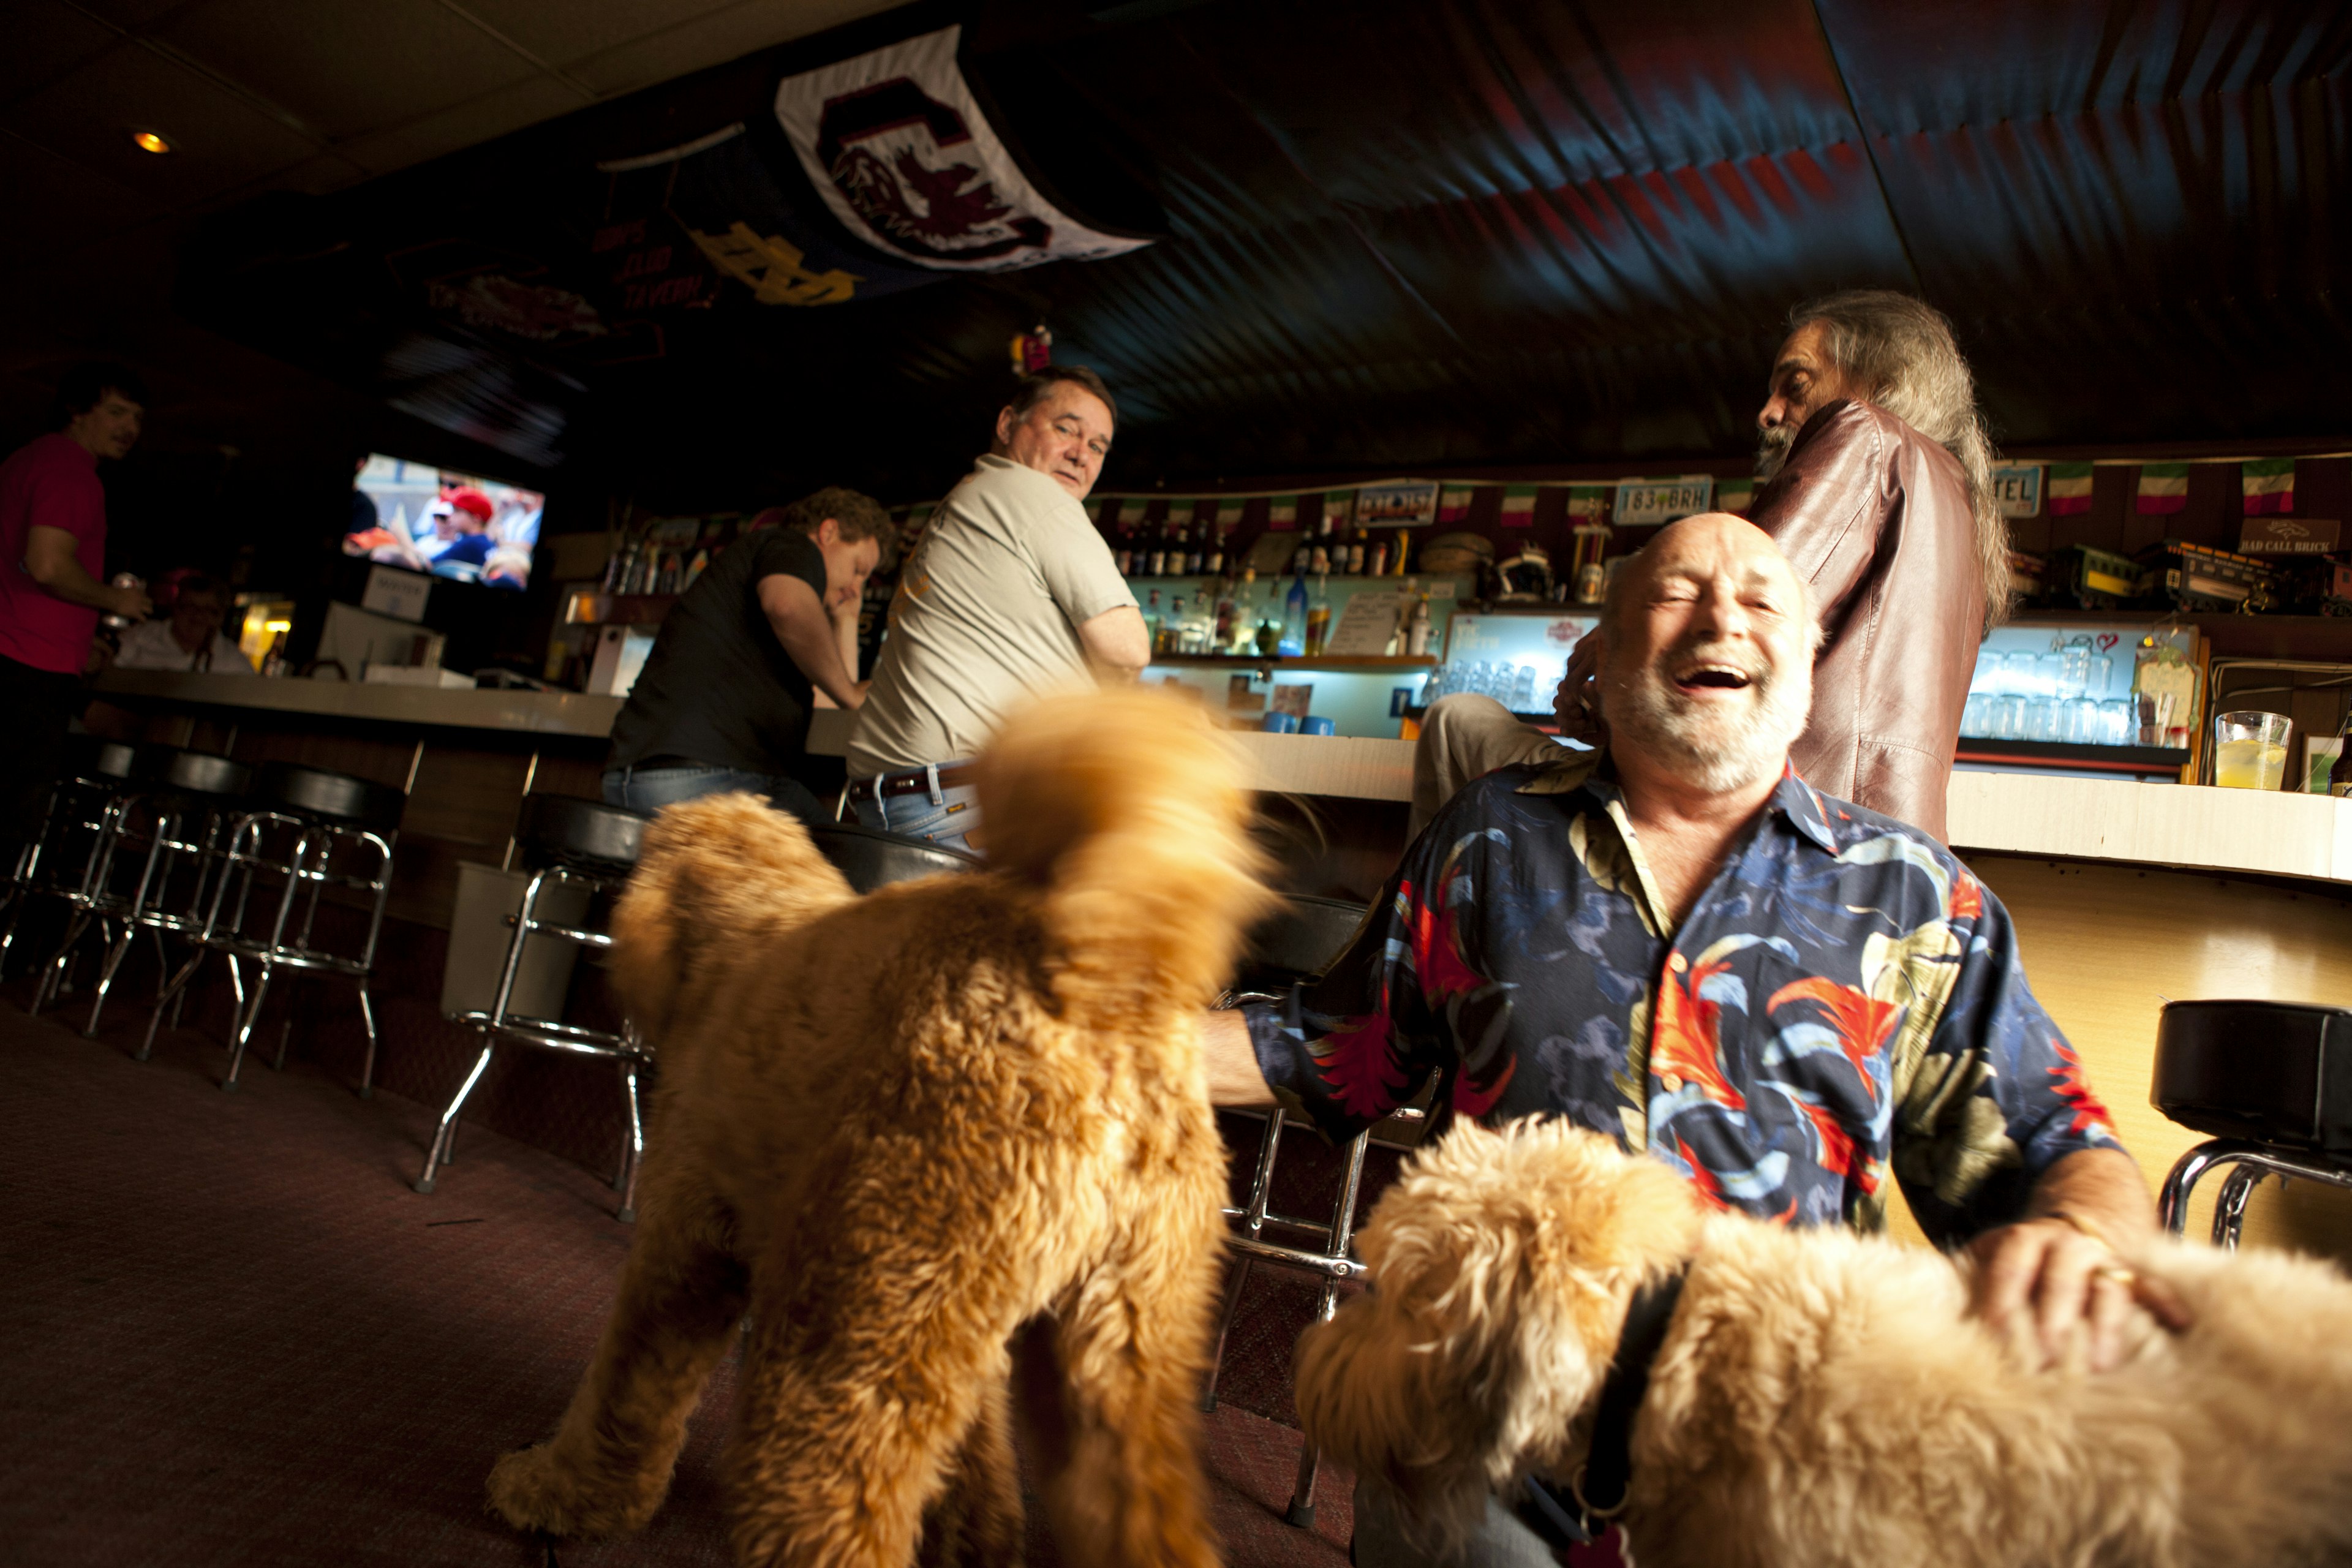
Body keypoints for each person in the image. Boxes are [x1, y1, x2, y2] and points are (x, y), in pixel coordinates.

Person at [1203, 514, 2177, 1566]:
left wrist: (2084, 1237)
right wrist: (1095, 1049)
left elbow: (2058, 1146)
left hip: (1768, 1464)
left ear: (1807, 663)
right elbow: (1336, 1046)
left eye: (1762, 601)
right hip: (1487, 1435)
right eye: (1674, 594)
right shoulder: (1490, 836)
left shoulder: (1914, 899)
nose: (1721, 617)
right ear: (1606, 652)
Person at [1422, 290, 1998, 842]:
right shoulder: (1962, 509)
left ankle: (1419, 938)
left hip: (1778, 827)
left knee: (1457, 721)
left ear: (1882, 379)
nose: (1767, 413)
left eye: (1794, 385)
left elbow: (1740, 609)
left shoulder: (1866, 433)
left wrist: (1604, 654)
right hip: (1892, 846)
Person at [846, 365, 1148, 853]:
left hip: (899, 801)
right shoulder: (1033, 493)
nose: (1080, 454)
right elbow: (1128, 649)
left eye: (1097, 446)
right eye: (1066, 428)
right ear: (1008, 425)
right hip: (962, 803)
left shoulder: (969, 499)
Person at [602, 487, 891, 822]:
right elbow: (786, 606)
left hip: (657, 778)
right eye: (858, 569)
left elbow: (833, 703)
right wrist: (849, 691)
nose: (858, 587)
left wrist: (847, 618)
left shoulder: (769, 614)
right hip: (701, 782)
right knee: (845, 858)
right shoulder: (793, 546)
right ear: (828, 533)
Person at [0, 361, 154, 868]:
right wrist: (117, 601)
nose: (129, 428)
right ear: (77, 410)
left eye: (136, 416)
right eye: (115, 412)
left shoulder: (26, 460)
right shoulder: (73, 472)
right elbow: (47, 564)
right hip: (28, 673)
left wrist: (77, 637)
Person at [115, 573, 252, 673]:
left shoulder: (234, 662)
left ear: (221, 617)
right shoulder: (138, 638)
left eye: (209, 610)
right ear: (175, 608)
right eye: (190, 607)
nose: (198, 616)